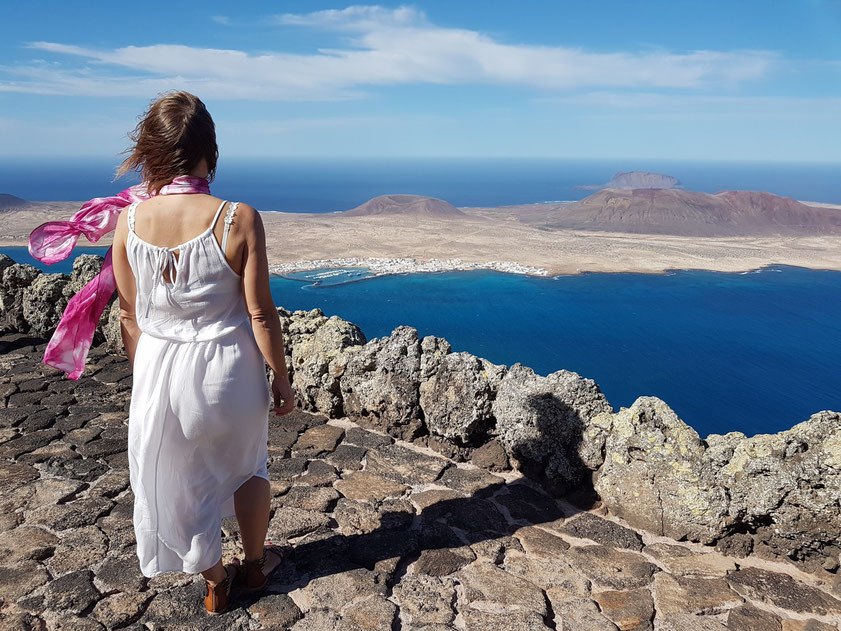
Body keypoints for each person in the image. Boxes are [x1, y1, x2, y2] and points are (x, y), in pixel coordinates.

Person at [109, 91, 295, 615]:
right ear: (210, 150)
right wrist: (280, 377)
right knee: (248, 468)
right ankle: (254, 566)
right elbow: (260, 313)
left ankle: (215, 579)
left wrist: (144, 374)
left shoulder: (130, 221)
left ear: (151, 151)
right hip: (229, 372)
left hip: (159, 370)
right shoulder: (238, 218)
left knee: (179, 481)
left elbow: (130, 315)